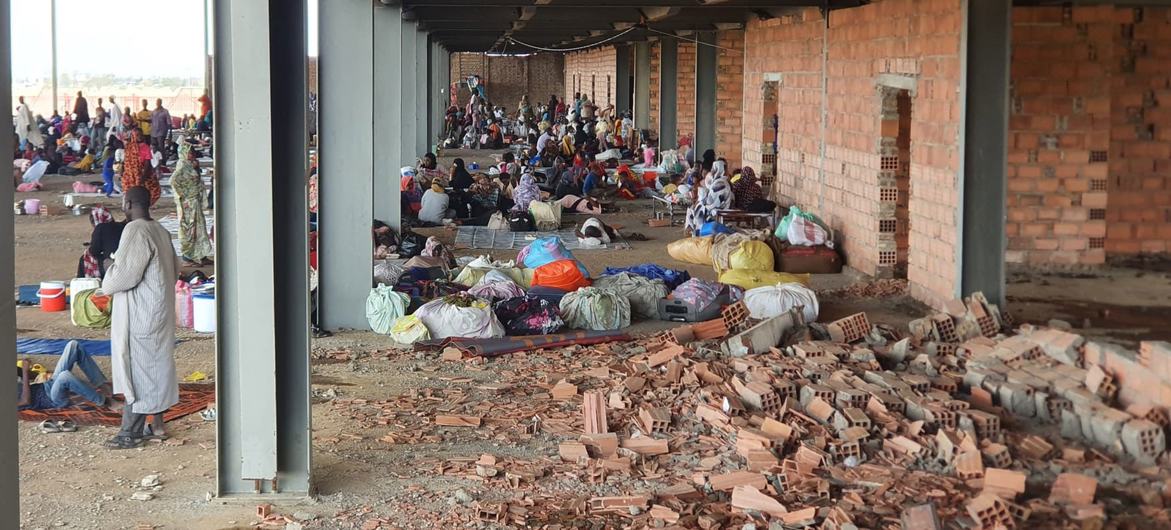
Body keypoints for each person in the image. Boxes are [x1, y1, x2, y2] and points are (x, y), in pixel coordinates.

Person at [100, 186, 179, 449]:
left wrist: (109, 270)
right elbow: (175, 269)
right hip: (159, 311)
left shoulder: (135, 231)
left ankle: (129, 433)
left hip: (142, 314)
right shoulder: (160, 230)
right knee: (157, 369)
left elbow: (124, 277)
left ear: (129, 202)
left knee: (139, 373)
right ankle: (156, 425)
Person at [18, 341, 120, 415]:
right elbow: (25, 401)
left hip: (49, 385)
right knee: (65, 376)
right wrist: (25, 371)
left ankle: (101, 384)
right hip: (53, 400)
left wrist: (26, 370)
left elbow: (32, 375)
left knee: (74, 345)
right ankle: (105, 402)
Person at [170, 140, 213, 265]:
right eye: (190, 152)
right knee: (189, 228)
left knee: (199, 228)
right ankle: (187, 256)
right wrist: (184, 195)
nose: (192, 154)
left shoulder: (190, 165)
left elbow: (196, 179)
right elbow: (174, 181)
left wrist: (196, 168)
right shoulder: (182, 166)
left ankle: (201, 253)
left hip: (194, 202)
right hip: (187, 204)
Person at [77, 206, 126, 279]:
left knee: (85, 258)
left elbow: (93, 251)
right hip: (126, 261)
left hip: (112, 264)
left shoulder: (100, 228)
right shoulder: (122, 226)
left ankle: (84, 283)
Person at [122, 130, 160, 205]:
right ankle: (133, 204)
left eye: (141, 135)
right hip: (130, 174)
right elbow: (126, 162)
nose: (140, 137)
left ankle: (143, 204)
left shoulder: (145, 147)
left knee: (152, 189)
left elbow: (147, 164)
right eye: (138, 135)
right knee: (133, 191)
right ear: (133, 136)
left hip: (140, 173)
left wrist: (143, 175)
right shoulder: (128, 147)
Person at [150, 99, 172, 163]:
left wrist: (170, 132)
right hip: (153, 132)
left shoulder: (165, 111)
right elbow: (150, 120)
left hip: (161, 132)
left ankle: (163, 162)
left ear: (161, 103)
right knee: (154, 148)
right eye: (157, 102)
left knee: (161, 147)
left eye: (159, 102)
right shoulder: (153, 111)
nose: (158, 103)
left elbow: (169, 122)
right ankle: (155, 162)